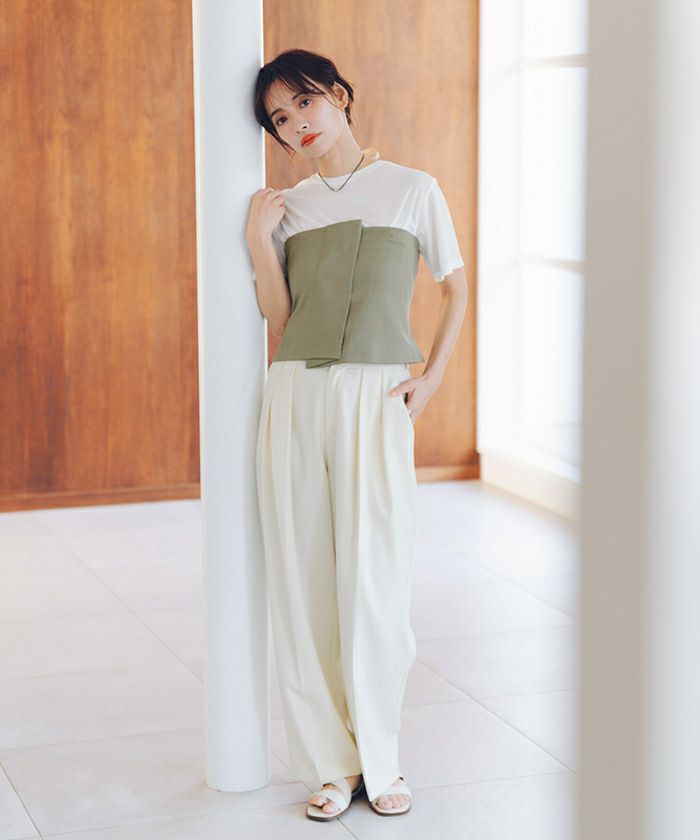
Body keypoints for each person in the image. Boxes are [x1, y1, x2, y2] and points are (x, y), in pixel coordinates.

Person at [247, 48, 468, 821]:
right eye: (279, 119)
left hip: (377, 397)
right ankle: (330, 766)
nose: (296, 125)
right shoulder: (290, 207)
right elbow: (280, 320)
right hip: (296, 395)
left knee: (376, 581)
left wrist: (430, 380)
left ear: (339, 96)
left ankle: (382, 755)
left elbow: (455, 287)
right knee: (304, 581)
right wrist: (259, 242)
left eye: (304, 103)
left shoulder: (412, 188)